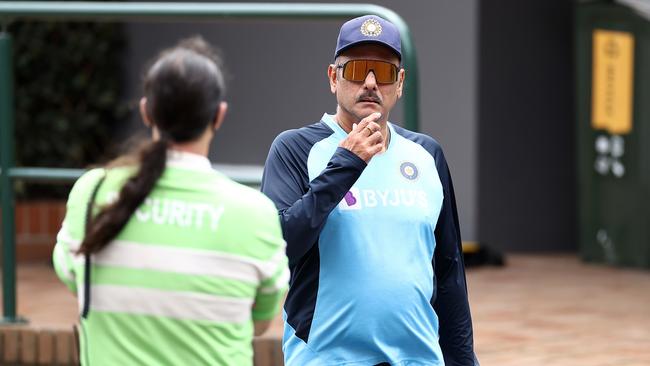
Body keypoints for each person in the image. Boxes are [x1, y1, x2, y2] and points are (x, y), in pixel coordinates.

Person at [52, 37, 288, 366]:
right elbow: (260, 322)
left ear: (147, 111)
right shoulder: (255, 212)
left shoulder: (92, 192)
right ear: (218, 116)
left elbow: (75, 279)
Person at [261, 15, 478, 365]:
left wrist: (464, 360)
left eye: (385, 72)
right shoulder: (295, 148)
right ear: (334, 77)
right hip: (328, 359)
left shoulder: (427, 154)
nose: (371, 83)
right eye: (358, 69)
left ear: (401, 83)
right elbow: (280, 245)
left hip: (418, 359)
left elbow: (449, 273)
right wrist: (346, 163)